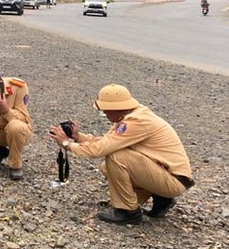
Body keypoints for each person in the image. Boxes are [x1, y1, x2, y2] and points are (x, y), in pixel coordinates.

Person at [49, 84, 194, 225]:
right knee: (107, 167)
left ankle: (128, 212)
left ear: (116, 108)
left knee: (116, 157)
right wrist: (78, 137)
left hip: (173, 181)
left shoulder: (136, 122)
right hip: (169, 175)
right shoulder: (134, 115)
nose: (105, 114)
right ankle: (161, 198)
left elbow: (99, 150)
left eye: (105, 110)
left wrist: (67, 145)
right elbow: (107, 141)